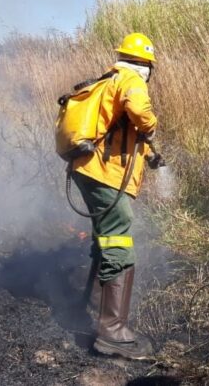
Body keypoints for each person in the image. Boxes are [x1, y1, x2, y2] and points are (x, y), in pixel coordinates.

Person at [73, 32, 159, 360]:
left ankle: (95, 308)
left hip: (87, 169)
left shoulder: (108, 79)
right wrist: (150, 125)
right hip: (104, 173)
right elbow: (139, 109)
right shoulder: (132, 78)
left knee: (106, 239)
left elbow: (119, 127)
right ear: (146, 64)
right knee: (119, 240)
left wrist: (147, 149)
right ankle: (113, 332)